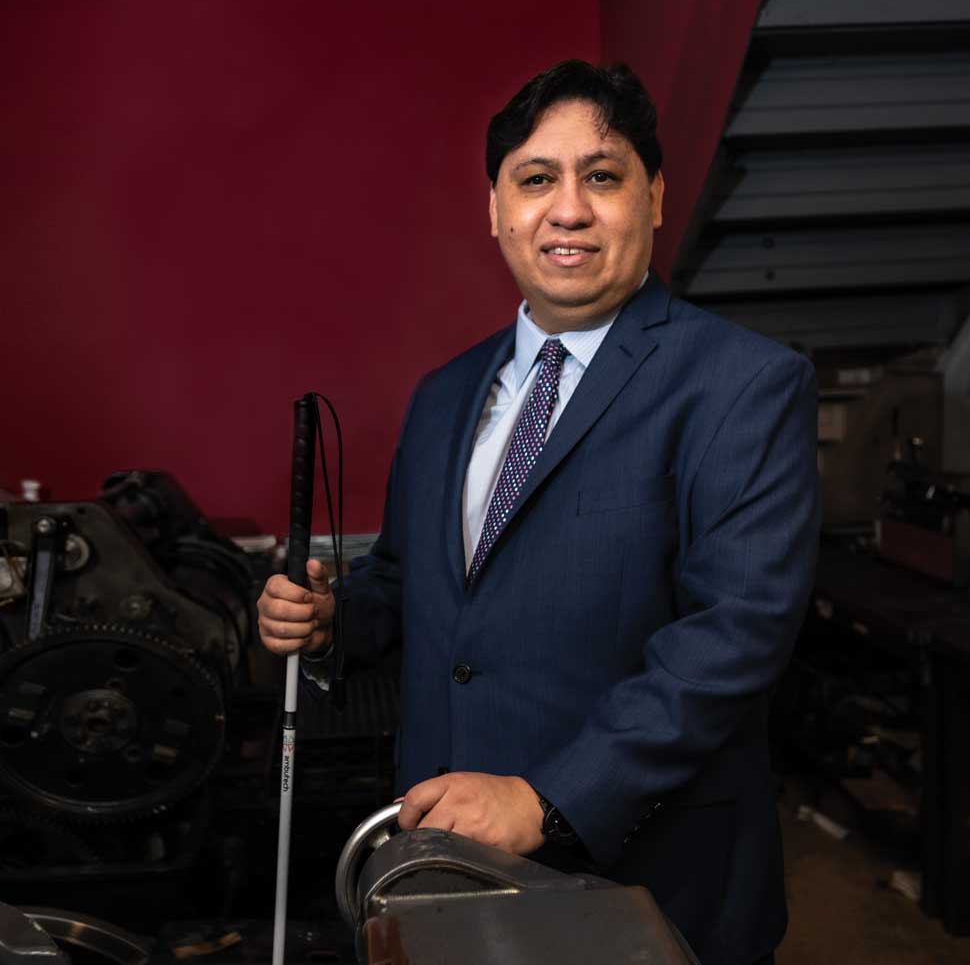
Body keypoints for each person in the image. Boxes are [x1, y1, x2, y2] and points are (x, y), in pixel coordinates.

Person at [258, 60, 819, 965]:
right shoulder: (444, 394)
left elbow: (736, 637)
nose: (568, 210)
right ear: (496, 208)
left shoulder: (743, 384)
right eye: (535, 179)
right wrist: (330, 622)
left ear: (656, 197)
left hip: (650, 886)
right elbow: (407, 587)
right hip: (441, 866)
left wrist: (547, 797)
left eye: (601, 176)